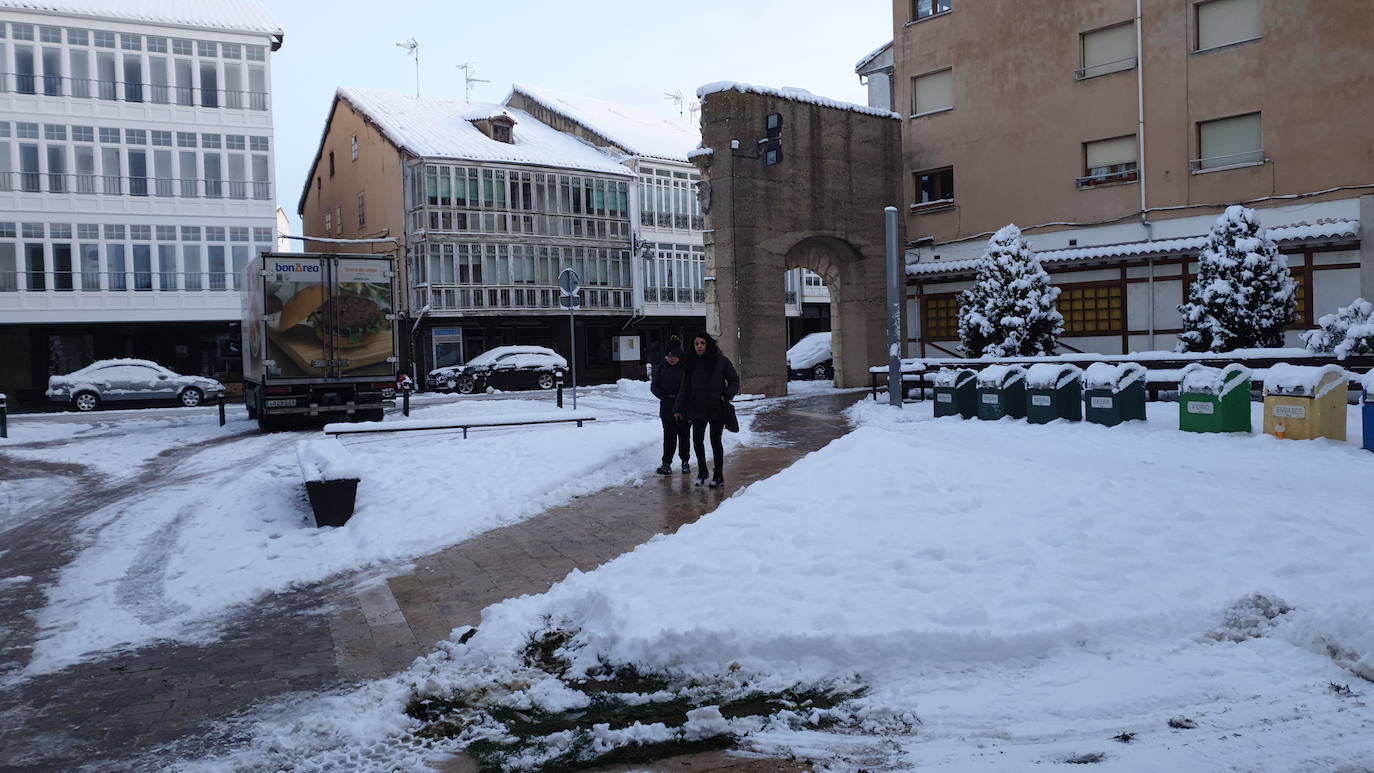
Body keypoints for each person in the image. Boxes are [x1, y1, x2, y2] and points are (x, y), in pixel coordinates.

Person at [673, 331, 740, 488]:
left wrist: (726, 396)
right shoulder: (690, 363)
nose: (699, 346)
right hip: (697, 408)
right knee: (697, 441)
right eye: (696, 344)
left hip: (717, 407)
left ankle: (719, 476)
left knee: (715, 442)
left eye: (702, 343)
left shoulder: (721, 361)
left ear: (708, 344)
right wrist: (678, 408)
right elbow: (685, 388)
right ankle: (702, 472)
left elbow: (734, 380)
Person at [649, 338, 690, 475]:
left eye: (674, 356)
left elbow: (690, 387)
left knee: (684, 436)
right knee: (669, 437)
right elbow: (654, 386)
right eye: (668, 356)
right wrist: (662, 395)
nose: (671, 359)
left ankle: (685, 461)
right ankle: (666, 463)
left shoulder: (686, 368)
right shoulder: (662, 367)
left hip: (683, 406)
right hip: (667, 406)